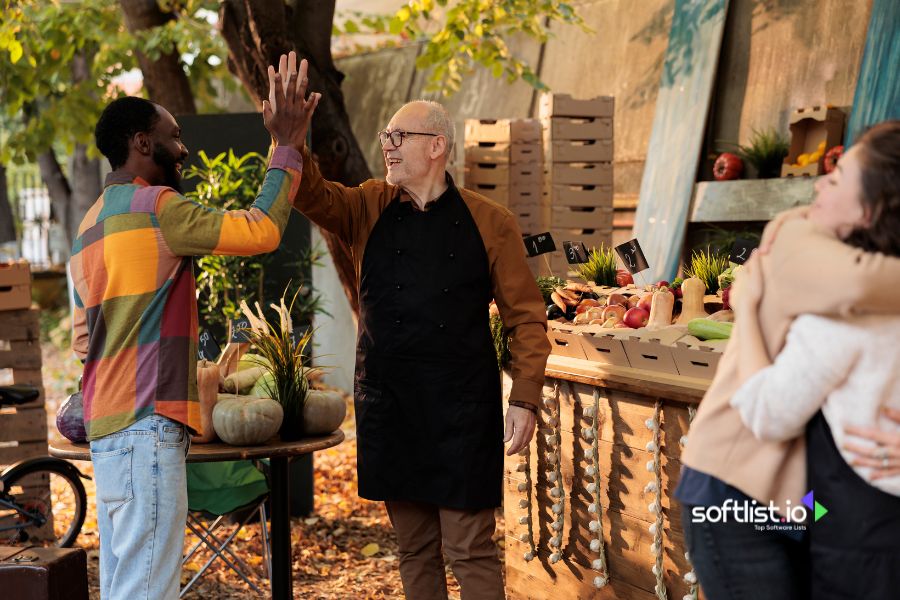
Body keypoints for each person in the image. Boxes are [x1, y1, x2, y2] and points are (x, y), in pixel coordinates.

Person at [70, 52, 319, 600]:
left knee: (123, 587)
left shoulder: (87, 228)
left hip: (106, 435)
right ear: (141, 143)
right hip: (148, 426)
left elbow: (82, 344)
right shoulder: (161, 206)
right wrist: (287, 146)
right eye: (174, 135)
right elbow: (260, 231)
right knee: (148, 592)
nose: (183, 148)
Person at [292, 98, 550, 599]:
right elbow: (311, 195)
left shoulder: (491, 221)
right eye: (385, 137)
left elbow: (525, 317)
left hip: (461, 409)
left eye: (398, 137)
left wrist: (525, 397)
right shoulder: (367, 204)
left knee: (468, 548)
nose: (386, 147)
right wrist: (292, 142)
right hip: (389, 404)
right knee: (413, 549)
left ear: (437, 147)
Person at [676, 122, 900, 599]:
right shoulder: (798, 236)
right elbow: (859, 285)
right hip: (735, 485)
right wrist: (750, 315)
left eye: (837, 177)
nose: (818, 183)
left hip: (807, 496)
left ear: (872, 206)